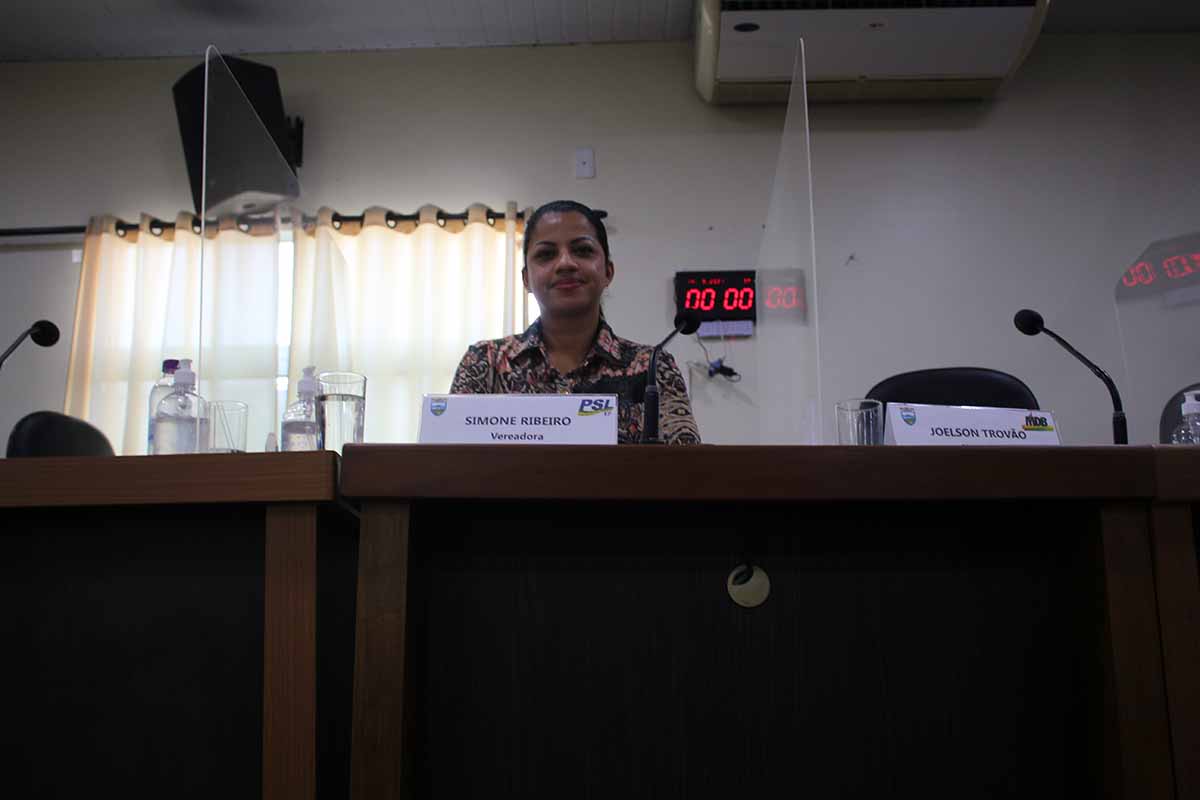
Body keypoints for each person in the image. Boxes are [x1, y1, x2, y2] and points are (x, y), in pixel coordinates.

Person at [450, 200, 701, 445]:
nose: (565, 263)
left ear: (608, 272)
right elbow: (449, 463)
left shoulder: (652, 368)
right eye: (546, 254)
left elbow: (688, 468)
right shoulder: (486, 362)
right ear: (526, 279)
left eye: (582, 250)